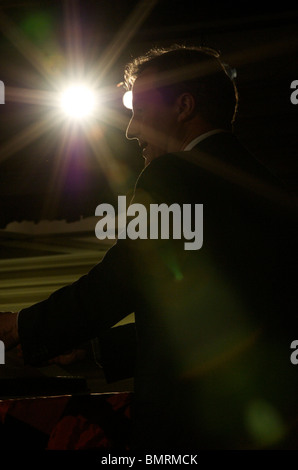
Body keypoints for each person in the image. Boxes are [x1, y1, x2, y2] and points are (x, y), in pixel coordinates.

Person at [0, 45, 297, 450]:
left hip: (188, 428)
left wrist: (22, 327)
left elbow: (123, 277)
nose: (130, 130)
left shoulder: (173, 173)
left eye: (139, 111)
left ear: (184, 107)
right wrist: (98, 348)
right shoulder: (269, 187)